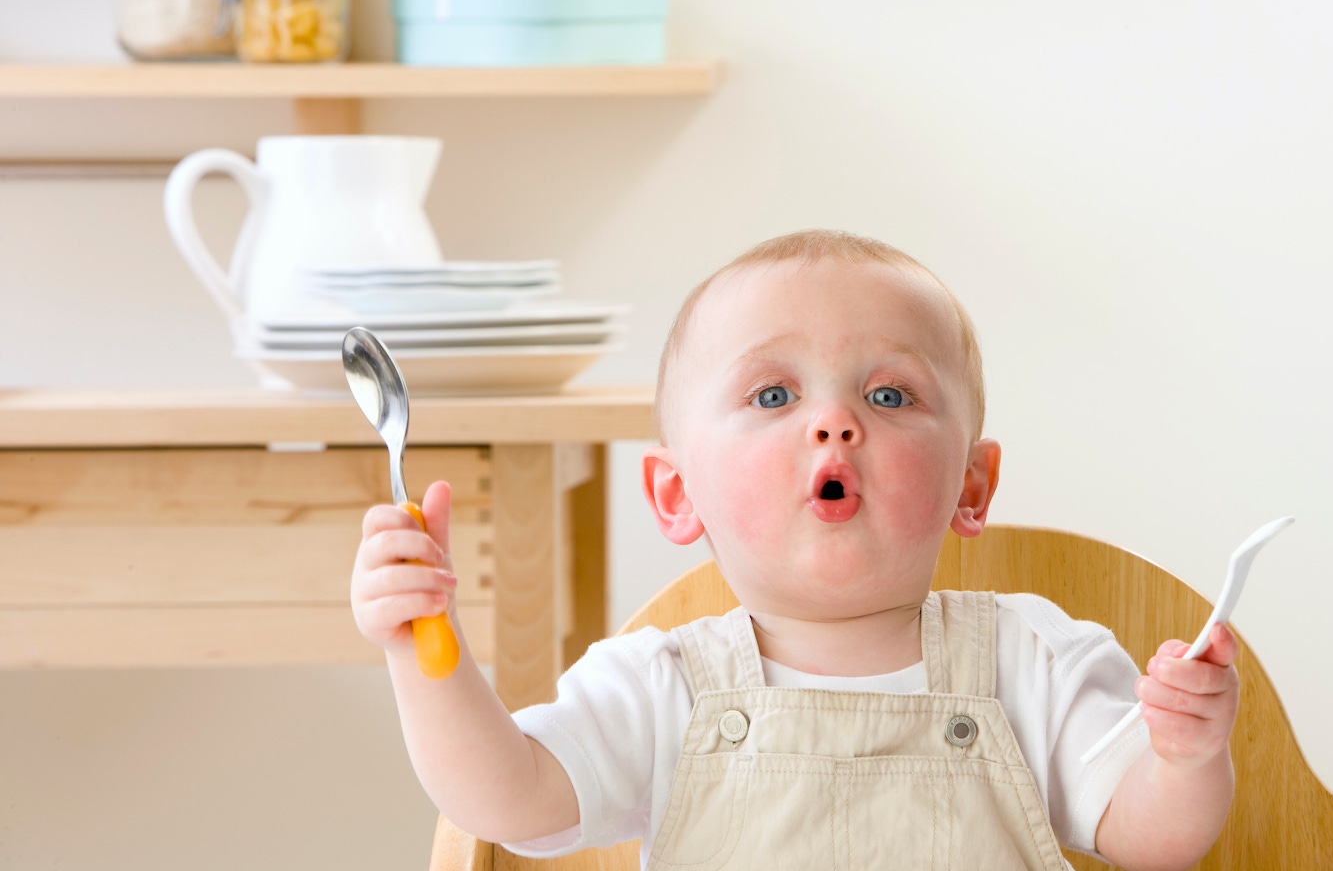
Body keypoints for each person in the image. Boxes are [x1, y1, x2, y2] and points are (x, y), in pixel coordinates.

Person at [352, 230, 1239, 871]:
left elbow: (1155, 840)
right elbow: (508, 802)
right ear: (677, 494)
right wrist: (422, 650)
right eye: (773, 393)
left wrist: (1185, 758)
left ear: (971, 485)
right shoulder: (660, 686)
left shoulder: (1036, 662)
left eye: (890, 395)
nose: (834, 421)